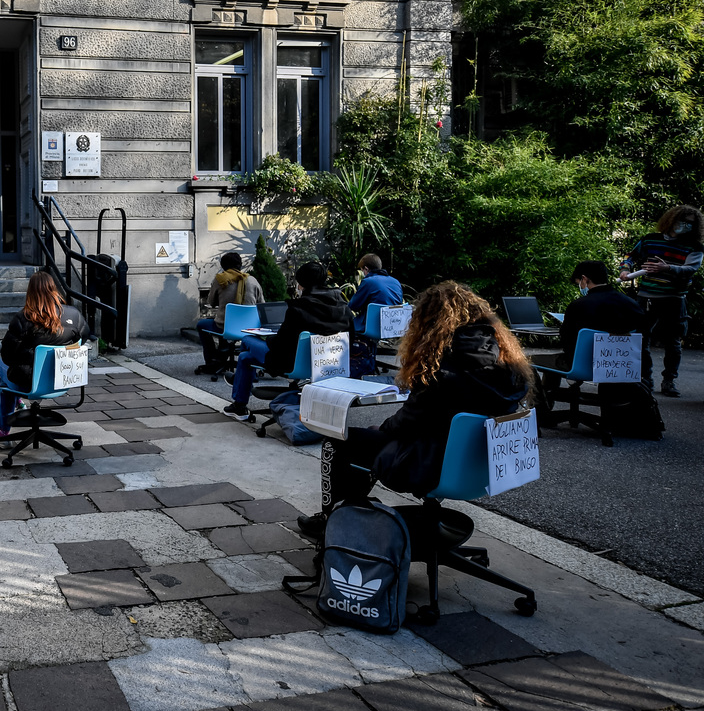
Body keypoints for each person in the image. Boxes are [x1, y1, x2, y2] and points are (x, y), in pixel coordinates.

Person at [297, 281, 533, 538]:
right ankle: (352, 515)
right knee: (374, 438)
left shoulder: (443, 366)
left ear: (431, 322)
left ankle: (335, 522)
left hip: (430, 463)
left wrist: (383, 428)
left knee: (341, 441)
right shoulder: (508, 362)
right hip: (484, 467)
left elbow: (409, 421)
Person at [226, 261, 352, 421]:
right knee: (245, 357)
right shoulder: (344, 307)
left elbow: (280, 345)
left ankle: (239, 404)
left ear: (302, 284)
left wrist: (270, 338)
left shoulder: (297, 309)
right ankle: (240, 383)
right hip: (329, 364)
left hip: (292, 363)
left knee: (247, 340)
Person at [539, 260, 646, 419]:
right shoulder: (632, 304)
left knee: (545, 361)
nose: (580, 286)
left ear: (584, 279)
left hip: (582, 366)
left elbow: (566, 341)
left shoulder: (578, 305)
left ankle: (543, 414)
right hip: (622, 366)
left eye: (578, 282)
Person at [0, 271, 91, 436]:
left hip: (29, 382)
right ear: (54, 289)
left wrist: (27, 354)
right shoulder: (73, 315)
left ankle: (4, 431)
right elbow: (83, 338)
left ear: (30, 292)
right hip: (61, 380)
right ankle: (17, 403)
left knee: (2, 367)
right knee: (7, 371)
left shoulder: (23, 318)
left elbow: (7, 356)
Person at [619, 205, 702, 397]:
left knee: (673, 341)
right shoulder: (650, 239)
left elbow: (691, 269)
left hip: (674, 298)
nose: (686, 225)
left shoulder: (695, 247)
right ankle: (645, 378)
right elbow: (630, 256)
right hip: (647, 297)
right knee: (641, 338)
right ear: (671, 219)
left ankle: (669, 380)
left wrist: (668, 268)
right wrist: (625, 270)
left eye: (691, 223)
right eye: (683, 221)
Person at [194, 251, 265, 375]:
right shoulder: (252, 280)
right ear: (240, 265)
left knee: (202, 325)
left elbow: (211, 302)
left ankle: (212, 360)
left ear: (223, 266)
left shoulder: (220, 280)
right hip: (251, 328)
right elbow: (261, 304)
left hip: (225, 327)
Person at [347, 253, 404, 334]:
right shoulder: (395, 282)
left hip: (371, 326)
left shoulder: (368, 282)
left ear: (366, 269)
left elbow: (353, 306)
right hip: (393, 327)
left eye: (362, 270)